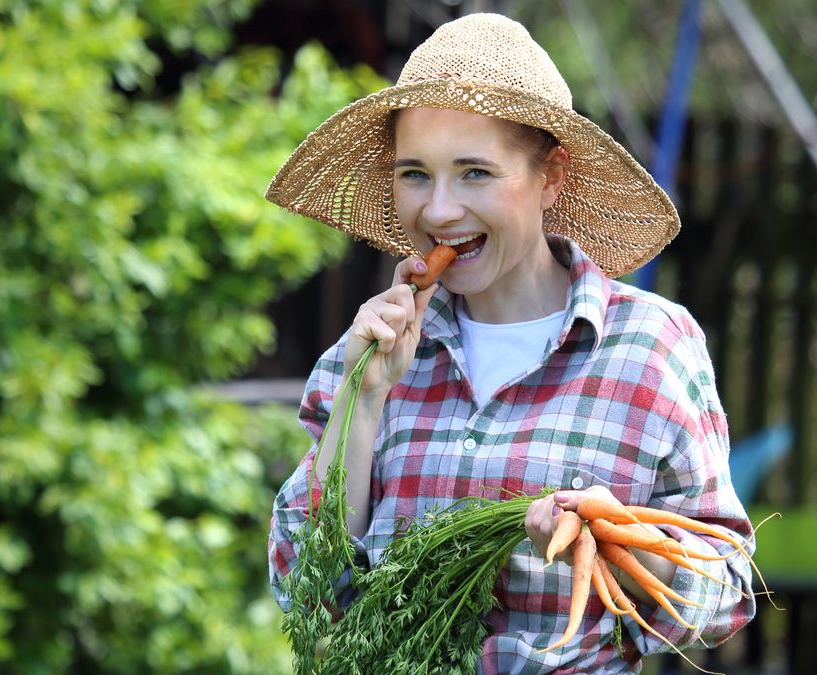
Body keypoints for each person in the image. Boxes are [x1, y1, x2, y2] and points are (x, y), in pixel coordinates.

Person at [265, 12, 756, 674]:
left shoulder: (648, 348)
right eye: (415, 173)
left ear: (550, 177)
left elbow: (723, 597)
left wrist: (616, 541)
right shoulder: (365, 355)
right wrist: (364, 399)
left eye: (474, 173)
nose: (438, 210)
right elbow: (308, 590)